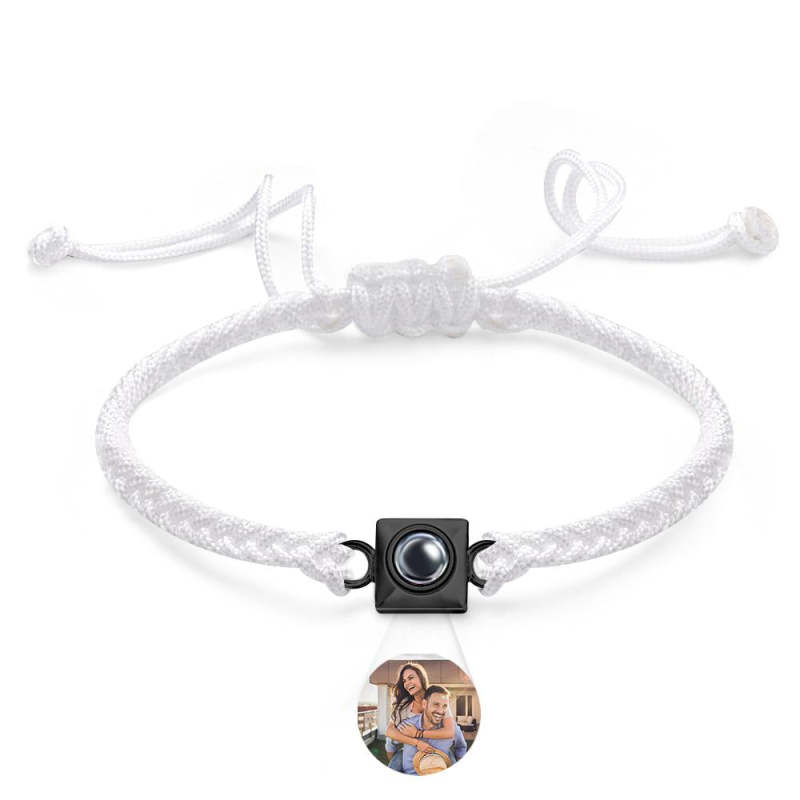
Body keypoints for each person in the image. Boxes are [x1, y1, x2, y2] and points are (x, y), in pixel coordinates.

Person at [384, 664, 465, 772]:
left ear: (421, 678)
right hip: (411, 748)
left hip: (438, 749)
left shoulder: (437, 698)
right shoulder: (403, 707)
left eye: (411, 678)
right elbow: (389, 732)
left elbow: (450, 732)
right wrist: (416, 743)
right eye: (404, 681)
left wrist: (418, 733)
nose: (407, 683)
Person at [398, 685, 464, 774]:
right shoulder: (408, 725)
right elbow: (390, 745)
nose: (440, 711)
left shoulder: (453, 728)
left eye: (444, 706)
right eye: (436, 704)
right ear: (424, 704)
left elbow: (461, 747)